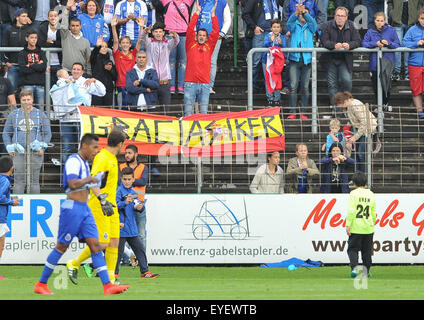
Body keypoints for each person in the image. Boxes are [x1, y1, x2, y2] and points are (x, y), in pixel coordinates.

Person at [33, 133, 130, 295]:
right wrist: (89, 181)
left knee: (97, 246)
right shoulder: (73, 161)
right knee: (61, 247)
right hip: (72, 208)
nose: (96, 151)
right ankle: (41, 283)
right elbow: (71, 183)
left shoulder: (85, 164)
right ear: (84, 146)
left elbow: (91, 183)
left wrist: (101, 197)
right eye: (94, 147)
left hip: (84, 209)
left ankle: (108, 286)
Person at [66, 128, 127, 285]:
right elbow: (93, 180)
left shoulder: (112, 158)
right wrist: (101, 199)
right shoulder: (103, 157)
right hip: (101, 205)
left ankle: (112, 279)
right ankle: (74, 263)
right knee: (102, 243)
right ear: (120, 144)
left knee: (114, 241)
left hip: (111, 206)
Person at [50, 62, 106, 164]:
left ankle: (81, 172)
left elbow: (102, 92)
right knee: (66, 149)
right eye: (74, 69)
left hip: (80, 119)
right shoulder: (63, 81)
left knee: (82, 147)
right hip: (65, 119)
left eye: (78, 69)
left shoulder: (86, 82)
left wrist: (94, 80)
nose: (75, 71)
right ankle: (66, 175)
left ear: (82, 72)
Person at [2, 89, 52, 194]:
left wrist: (43, 147)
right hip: (17, 151)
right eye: (23, 100)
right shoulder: (13, 115)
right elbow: (6, 132)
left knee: (34, 180)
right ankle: (18, 205)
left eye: (28, 99)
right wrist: (9, 147)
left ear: (32, 100)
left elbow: (48, 133)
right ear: (20, 100)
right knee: (19, 179)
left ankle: (34, 203)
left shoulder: (41, 115)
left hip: (36, 152)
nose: (26, 102)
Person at [115, 166, 159, 278]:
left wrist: (140, 207)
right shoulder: (119, 191)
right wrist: (124, 202)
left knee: (139, 249)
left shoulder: (134, 192)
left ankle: (145, 272)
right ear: (121, 179)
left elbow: (139, 206)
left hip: (132, 228)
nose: (127, 181)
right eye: (125, 179)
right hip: (121, 227)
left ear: (133, 179)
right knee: (117, 253)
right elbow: (114, 206)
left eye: (129, 179)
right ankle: (113, 274)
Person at [320, 6, 361, 111]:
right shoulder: (326, 25)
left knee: (347, 81)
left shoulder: (352, 26)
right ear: (334, 16)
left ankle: (347, 107)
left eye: (342, 16)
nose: (340, 18)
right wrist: (334, 45)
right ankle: (336, 110)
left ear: (346, 17)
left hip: (345, 59)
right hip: (330, 60)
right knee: (332, 85)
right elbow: (324, 41)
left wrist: (349, 45)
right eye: (338, 15)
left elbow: (358, 41)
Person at [183, 0, 219, 116]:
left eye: (204, 35)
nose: (202, 37)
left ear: (206, 37)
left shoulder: (209, 46)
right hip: (190, 83)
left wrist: (213, 15)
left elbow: (216, 31)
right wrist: (197, 13)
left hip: (205, 84)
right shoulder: (190, 44)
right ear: (196, 36)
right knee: (188, 113)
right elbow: (189, 29)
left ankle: (202, 134)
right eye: (200, 35)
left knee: (204, 114)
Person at [242, 0, 284, 93]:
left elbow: (279, 14)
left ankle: (273, 89)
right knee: (255, 61)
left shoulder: (275, 1)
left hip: (273, 33)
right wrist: (254, 27)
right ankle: (252, 87)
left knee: (274, 61)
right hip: (260, 33)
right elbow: (245, 14)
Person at [362, 12, 400, 108]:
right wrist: (375, 43)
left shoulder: (391, 30)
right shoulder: (370, 31)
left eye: (381, 21)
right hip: (375, 63)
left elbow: (397, 44)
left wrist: (388, 43)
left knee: (386, 85)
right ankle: (379, 105)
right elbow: (364, 43)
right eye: (377, 20)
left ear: (385, 21)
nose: (379, 23)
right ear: (374, 21)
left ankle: (385, 104)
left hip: (387, 61)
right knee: (375, 85)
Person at [286, 4, 317, 119]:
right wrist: (296, 13)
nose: (303, 16)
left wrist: (304, 12)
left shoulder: (310, 26)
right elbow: (288, 23)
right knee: (293, 86)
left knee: (305, 86)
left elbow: (314, 24)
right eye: (302, 14)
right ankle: (292, 111)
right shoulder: (294, 25)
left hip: (307, 60)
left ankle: (303, 112)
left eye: (305, 14)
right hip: (295, 59)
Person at [333, 91, 377, 173]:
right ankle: (358, 176)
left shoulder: (354, 105)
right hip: (359, 129)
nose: (340, 107)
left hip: (367, 129)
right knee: (357, 155)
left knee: (361, 154)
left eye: (340, 105)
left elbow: (364, 123)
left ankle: (363, 177)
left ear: (344, 102)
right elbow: (354, 120)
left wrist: (355, 137)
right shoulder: (347, 107)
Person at [193, 0, 231, 95]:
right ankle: (198, 84)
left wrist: (222, 33)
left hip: (215, 37)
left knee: (212, 61)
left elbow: (228, 19)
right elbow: (193, 15)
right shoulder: (199, 1)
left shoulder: (222, 2)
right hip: (200, 37)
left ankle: (209, 86)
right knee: (198, 60)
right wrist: (194, 32)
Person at [141, 21, 179, 112]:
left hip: (164, 82)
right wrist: (145, 32)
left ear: (163, 33)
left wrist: (175, 36)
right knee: (151, 110)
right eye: (156, 32)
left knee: (165, 110)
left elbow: (176, 42)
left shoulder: (167, 44)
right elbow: (142, 39)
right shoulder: (149, 43)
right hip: (151, 81)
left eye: (160, 32)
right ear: (153, 33)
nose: (158, 34)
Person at [346, 171, 376, 279]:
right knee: (367, 251)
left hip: (356, 227)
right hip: (368, 227)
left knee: (352, 249)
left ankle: (354, 268)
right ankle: (366, 272)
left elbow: (351, 210)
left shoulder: (353, 194)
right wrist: (373, 224)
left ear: (354, 183)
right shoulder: (371, 194)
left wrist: (348, 225)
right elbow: (373, 212)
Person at [160, 0, 194, 95]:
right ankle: (171, 85)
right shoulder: (167, 1)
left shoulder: (187, 1)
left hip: (183, 35)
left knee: (182, 62)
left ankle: (181, 85)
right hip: (170, 34)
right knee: (171, 61)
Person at [119, 144, 149, 249]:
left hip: (139, 205)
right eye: (125, 153)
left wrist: (129, 180)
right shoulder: (121, 166)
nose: (126, 155)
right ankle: (129, 260)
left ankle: (141, 259)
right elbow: (120, 183)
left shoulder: (144, 167)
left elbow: (143, 181)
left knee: (141, 234)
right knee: (125, 234)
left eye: (129, 153)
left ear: (136, 154)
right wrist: (135, 181)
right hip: (126, 205)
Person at [111, 14, 143, 107]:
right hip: (120, 85)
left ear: (130, 45)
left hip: (131, 85)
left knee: (131, 108)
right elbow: (115, 41)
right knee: (120, 108)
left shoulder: (133, 54)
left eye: (127, 43)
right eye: (123, 43)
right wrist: (113, 26)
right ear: (120, 45)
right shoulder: (117, 54)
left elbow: (139, 42)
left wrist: (141, 27)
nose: (125, 44)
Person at [388, 0, 424, 81]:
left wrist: (417, 13)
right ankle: (396, 72)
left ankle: (408, 73)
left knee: (409, 47)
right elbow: (390, 2)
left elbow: (420, 3)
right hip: (397, 22)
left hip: (412, 22)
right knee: (397, 48)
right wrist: (392, 13)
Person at [1, 8, 33, 92]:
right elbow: (4, 47)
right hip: (13, 66)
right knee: (11, 92)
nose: (26, 18)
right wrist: (6, 62)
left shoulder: (30, 31)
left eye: (27, 16)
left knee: (27, 92)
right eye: (23, 16)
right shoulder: (9, 30)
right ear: (17, 17)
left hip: (26, 66)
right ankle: (12, 106)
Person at [0, 155, 21, 280]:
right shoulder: (5, 180)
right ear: (11, 168)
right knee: (0, 245)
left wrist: (9, 199)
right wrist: (11, 202)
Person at [402, 8, 424, 119]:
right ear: (418, 18)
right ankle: (420, 111)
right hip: (414, 64)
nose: (423, 21)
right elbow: (404, 42)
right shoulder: (412, 29)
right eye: (422, 18)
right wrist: (416, 43)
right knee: (416, 89)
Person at [17, 30, 47, 110]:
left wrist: (30, 66)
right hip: (26, 85)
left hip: (40, 85)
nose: (34, 40)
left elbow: (43, 67)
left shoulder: (41, 53)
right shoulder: (22, 53)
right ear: (26, 38)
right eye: (32, 38)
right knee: (26, 109)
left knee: (40, 110)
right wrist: (37, 65)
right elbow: (23, 69)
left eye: (35, 38)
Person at [59, 3, 93, 74]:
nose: (75, 28)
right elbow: (63, 26)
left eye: (77, 26)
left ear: (80, 26)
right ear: (69, 27)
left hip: (81, 73)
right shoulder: (65, 36)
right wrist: (67, 9)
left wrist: (89, 73)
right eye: (73, 26)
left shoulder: (86, 41)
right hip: (66, 72)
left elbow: (88, 59)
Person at [261, 19, 286, 107]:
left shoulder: (282, 37)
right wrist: (270, 41)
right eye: (274, 27)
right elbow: (264, 46)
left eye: (278, 27)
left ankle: (277, 99)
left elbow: (285, 48)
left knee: (277, 79)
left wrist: (281, 44)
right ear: (271, 28)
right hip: (267, 61)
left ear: (280, 28)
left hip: (277, 63)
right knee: (268, 79)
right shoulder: (268, 36)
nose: (276, 29)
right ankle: (270, 99)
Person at [90, 36, 118, 106]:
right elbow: (93, 55)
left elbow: (115, 77)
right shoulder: (95, 59)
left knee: (107, 112)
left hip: (108, 90)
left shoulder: (110, 61)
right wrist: (97, 46)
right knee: (97, 111)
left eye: (106, 47)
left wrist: (111, 70)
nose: (104, 48)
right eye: (102, 46)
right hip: (97, 89)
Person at [38, 9, 63, 87]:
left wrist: (51, 42)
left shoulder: (62, 28)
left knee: (59, 88)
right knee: (46, 87)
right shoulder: (43, 27)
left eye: (55, 16)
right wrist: (56, 43)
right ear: (48, 18)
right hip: (46, 63)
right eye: (51, 16)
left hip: (59, 63)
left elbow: (62, 44)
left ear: (58, 17)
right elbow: (41, 43)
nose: (53, 18)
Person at [0, 63, 17, 155]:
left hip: (3, 120)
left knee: (3, 146)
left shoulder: (6, 81)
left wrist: (6, 116)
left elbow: (13, 102)